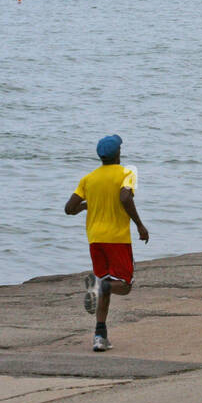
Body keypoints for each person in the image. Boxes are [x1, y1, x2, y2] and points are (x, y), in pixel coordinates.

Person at [65, 134, 149, 352]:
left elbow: (69, 208)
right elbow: (124, 198)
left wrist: (87, 205)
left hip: (95, 239)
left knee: (106, 286)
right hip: (117, 239)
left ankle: (100, 336)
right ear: (118, 153)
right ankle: (98, 287)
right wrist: (139, 225)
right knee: (124, 285)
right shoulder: (126, 174)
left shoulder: (88, 179)